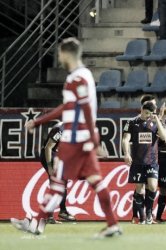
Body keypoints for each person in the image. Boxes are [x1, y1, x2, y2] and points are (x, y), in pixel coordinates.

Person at [11, 37, 121, 238]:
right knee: (95, 181)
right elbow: (71, 106)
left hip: (74, 140)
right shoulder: (84, 75)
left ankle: (37, 224)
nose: (59, 57)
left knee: (57, 183)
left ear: (67, 54)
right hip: (82, 139)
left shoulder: (76, 78)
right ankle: (112, 224)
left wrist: (93, 138)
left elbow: (83, 107)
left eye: (60, 53)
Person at [122, 101, 166, 225]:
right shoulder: (132, 122)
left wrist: (157, 120)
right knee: (139, 188)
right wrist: (126, 153)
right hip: (137, 161)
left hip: (152, 161)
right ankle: (142, 218)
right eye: (146, 113)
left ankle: (148, 213)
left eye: (150, 113)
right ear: (141, 109)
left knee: (152, 186)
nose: (148, 116)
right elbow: (125, 139)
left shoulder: (155, 122)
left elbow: (164, 137)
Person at [40, 121, 76, 224]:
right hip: (50, 155)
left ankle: (61, 211)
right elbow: (48, 147)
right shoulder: (61, 129)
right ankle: (51, 215)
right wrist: (50, 166)